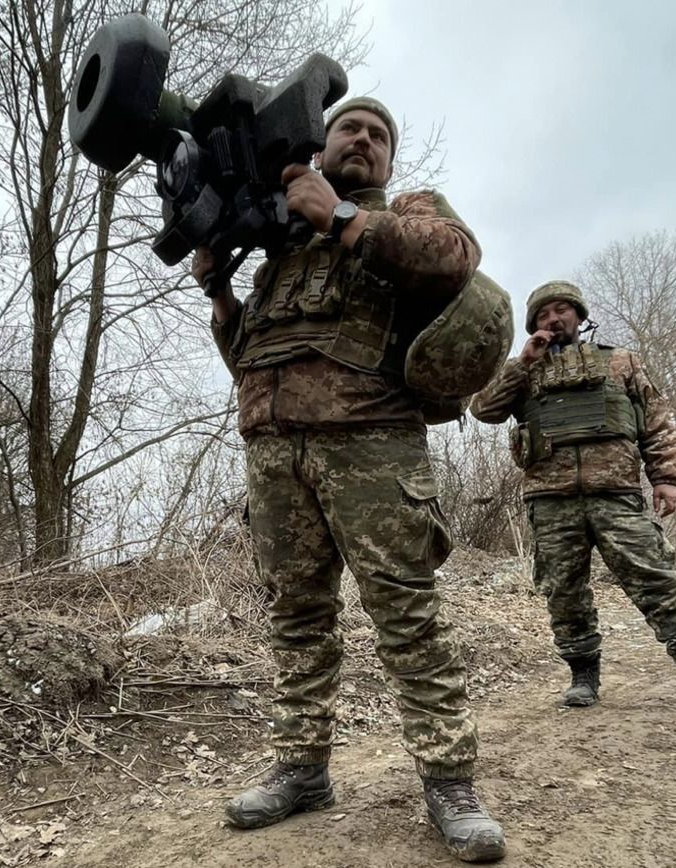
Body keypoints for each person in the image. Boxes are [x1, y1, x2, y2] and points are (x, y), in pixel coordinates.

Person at [194, 97, 507, 863]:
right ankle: (303, 772)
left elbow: (456, 258)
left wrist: (343, 219)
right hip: (273, 451)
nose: (362, 140)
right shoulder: (280, 248)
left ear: (390, 162)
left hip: (372, 445)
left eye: (378, 136)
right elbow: (252, 360)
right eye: (348, 131)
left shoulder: (401, 216)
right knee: (297, 619)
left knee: (407, 617)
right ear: (322, 144)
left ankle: (450, 784)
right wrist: (222, 296)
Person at [470, 281, 676, 719]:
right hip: (550, 499)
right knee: (563, 592)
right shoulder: (523, 369)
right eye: (543, 315)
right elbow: (484, 411)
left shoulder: (620, 361)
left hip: (616, 494)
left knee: (655, 579)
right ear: (532, 324)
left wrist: (666, 478)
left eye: (562, 311)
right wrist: (522, 364)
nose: (553, 320)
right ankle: (583, 673)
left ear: (579, 317)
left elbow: (656, 420)